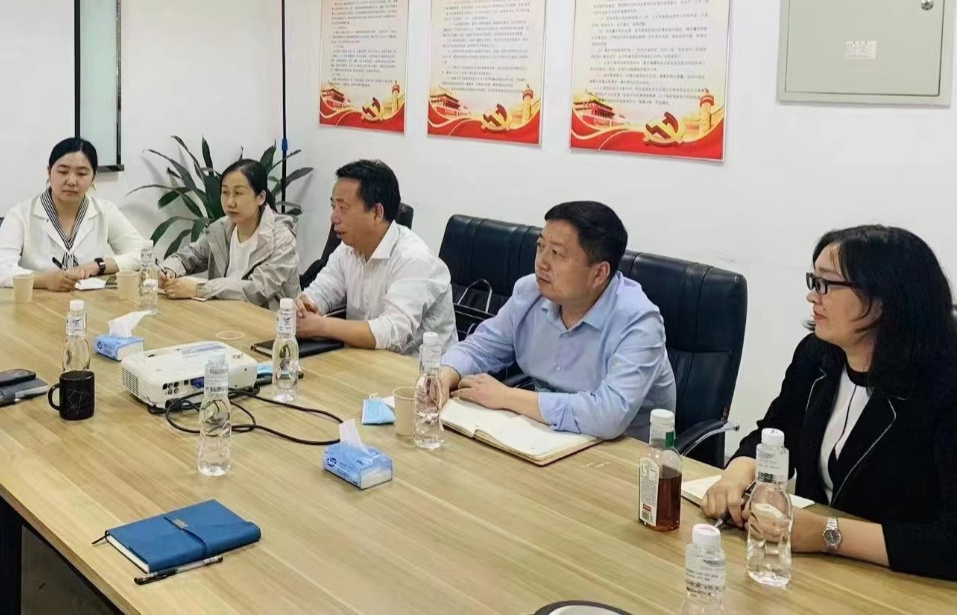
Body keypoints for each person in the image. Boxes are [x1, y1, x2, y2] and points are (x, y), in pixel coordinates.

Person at [700, 225, 957, 582]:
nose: (812, 296)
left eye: (826, 284)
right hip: (813, 573)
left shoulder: (943, 385)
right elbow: (778, 430)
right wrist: (736, 473)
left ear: (883, 299)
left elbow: (950, 542)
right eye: (813, 281)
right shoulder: (819, 355)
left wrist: (827, 535)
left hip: (907, 585)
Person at [438, 201, 676, 441]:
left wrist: (506, 397)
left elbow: (609, 415)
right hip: (546, 435)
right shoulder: (530, 292)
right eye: (540, 246)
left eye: (556, 253)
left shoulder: (639, 322)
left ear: (599, 273)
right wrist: (445, 374)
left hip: (623, 453)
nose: (541, 262)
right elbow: (481, 348)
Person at [295, 160, 454, 355]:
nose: (333, 217)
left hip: (419, 369)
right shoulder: (347, 250)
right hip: (365, 360)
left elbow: (392, 332)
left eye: (343, 208)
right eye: (333, 206)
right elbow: (322, 290)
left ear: (377, 213)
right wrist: (303, 306)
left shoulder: (414, 259)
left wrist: (321, 326)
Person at [0, 137, 149, 292]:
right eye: (63, 172)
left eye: (81, 174)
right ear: (49, 172)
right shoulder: (20, 215)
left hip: (91, 302)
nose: (71, 181)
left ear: (93, 178)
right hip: (36, 302)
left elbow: (143, 253)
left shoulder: (105, 211)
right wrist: (44, 280)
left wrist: (98, 265)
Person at [160, 159, 301, 309]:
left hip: (271, 319)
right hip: (226, 313)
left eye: (238, 193)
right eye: (225, 192)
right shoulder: (221, 229)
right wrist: (169, 270)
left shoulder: (281, 239)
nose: (230, 202)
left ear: (260, 197)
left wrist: (200, 289)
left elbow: (258, 289)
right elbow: (190, 255)